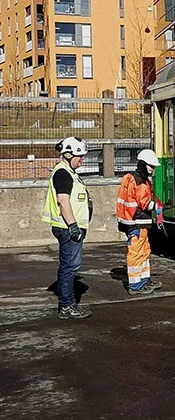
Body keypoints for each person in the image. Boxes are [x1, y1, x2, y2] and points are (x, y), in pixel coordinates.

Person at [41, 137, 93, 320]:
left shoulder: (69, 172)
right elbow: (63, 201)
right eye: (80, 156)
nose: (82, 159)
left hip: (69, 227)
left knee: (70, 266)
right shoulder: (63, 173)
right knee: (69, 267)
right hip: (67, 228)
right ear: (69, 155)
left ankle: (67, 304)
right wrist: (73, 226)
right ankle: (67, 306)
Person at [116, 149, 163, 296]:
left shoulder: (130, 177)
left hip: (131, 221)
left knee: (143, 251)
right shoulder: (140, 182)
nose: (152, 169)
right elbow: (144, 203)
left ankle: (144, 281)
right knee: (137, 253)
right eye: (151, 166)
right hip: (136, 222)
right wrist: (158, 206)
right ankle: (136, 285)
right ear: (143, 164)